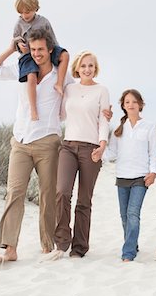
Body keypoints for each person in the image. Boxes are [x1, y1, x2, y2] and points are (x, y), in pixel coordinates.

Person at [0, 28, 74, 263]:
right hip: (21, 141)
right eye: (33, 49)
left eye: (41, 50)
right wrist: (10, 49)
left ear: (50, 49)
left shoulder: (61, 75)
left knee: (48, 195)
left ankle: (47, 246)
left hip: (48, 141)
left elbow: (80, 94)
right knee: (14, 192)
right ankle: (10, 248)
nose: (36, 54)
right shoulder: (23, 68)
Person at [47, 51, 110, 260]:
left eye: (91, 65)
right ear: (77, 68)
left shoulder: (102, 90)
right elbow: (61, 114)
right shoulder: (69, 89)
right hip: (68, 146)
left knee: (84, 200)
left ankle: (79, 248)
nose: (87, 69)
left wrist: (102, 146)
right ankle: (61, 242)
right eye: (83, 66)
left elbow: (104, 121)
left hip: (91, 149)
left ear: (95, 68)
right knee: (62, 192)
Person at [105, 89, 156, 262]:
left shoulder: (149, 127)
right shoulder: (118, 128)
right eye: (127, 102)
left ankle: (128, 252)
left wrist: (153, 173)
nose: (131, 105)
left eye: (134, 101)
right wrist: (99, 153)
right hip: (122, 176)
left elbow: (153, 153)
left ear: (140, 104)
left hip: (140, 178)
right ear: (123, 105)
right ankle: (132, 243)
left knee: (133, 213)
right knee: (124, 215)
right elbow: (112, 153)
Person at [13, 0, 69, 121]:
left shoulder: (43, 21)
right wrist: (20, 46)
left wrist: (55, 54)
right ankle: (33, 110)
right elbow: (15, 40)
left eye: (27, 12)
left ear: (35, 8)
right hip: (28, 54)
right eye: (21, 12)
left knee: (65, 55)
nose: (24, 15)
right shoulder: (19, 24)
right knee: (31, 76)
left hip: (46, 49)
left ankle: (59, 84)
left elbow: (52, 39)